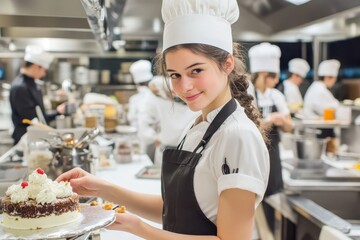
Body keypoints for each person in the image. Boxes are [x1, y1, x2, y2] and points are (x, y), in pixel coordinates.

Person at [57, 0, 269, 239]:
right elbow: (176, 212)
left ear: (227, 64)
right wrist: (105, 189)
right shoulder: (199, 125)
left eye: (196, 71)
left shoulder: (237, 135)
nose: (184, 86)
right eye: (175, 75)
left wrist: (139, 228)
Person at [248, 42, 293, 232]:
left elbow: (290, 127)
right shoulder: (247, 93)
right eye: (274, 77)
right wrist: (270, 120)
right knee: (252, 198)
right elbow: (249, 125)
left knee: (272, 197)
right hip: (252, 155)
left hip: (273, 156)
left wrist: (281, 121)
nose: (277, 81)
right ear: (264, 75)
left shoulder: (276, 96)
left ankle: (268, 235)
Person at [138, 75, 198, 166]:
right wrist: (154, 138)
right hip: (165, 152)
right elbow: (144, 122)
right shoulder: (159, 92)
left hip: (191, 154)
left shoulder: (197, 97)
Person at [9, 45, 59, 145]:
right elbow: (32, 118)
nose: (44, 74)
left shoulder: (31, 83)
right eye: (44, 70)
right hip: (25, 139)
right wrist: (57, 112)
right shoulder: (20, 87)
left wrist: (57, 112)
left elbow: (39, 114)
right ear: (36, 66)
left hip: (34, 137)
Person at [303, 59, 341, 148]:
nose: (334, 82)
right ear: (327, 77)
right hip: (317, 130)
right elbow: (330, 109)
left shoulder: (317, 87)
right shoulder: (320, 90)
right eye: (334, 79)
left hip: (315, 129)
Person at [127, 59, 153, 128]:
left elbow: (131, 119)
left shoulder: (134, 99)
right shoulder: (158, 95)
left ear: (137, 84)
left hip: (140, 134)